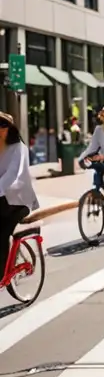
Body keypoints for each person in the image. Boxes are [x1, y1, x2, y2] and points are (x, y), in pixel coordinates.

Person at [0, 112, 40, 277]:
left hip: (19, 200)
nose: (0, 130)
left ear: (11, 129)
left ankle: (1, 273)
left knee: (1, 233)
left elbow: (12, 176)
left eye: (3, 126)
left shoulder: (19, 148)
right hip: (2, 199)